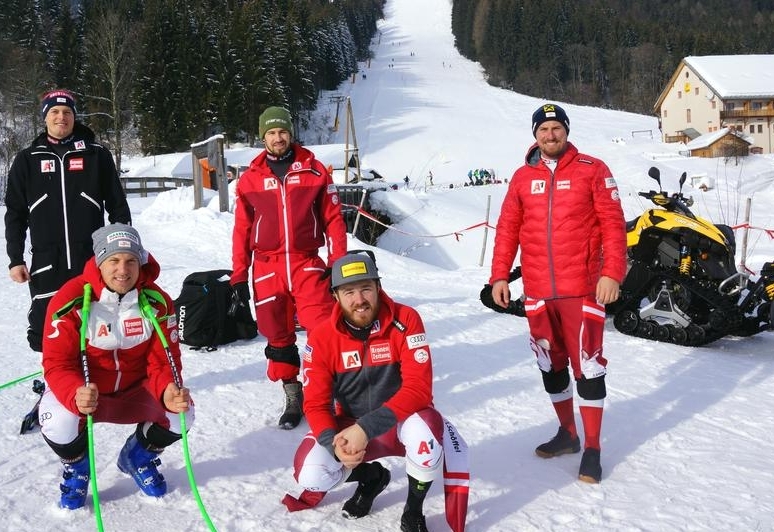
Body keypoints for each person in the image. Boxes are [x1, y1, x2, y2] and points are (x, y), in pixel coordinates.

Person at [487, 103, 627, 484]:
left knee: (588, 366)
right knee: (550, 364)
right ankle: (568, 433)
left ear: (566, 131)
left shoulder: (592, 170)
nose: (550, 135)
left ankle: (594, 448)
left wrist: (612, 273)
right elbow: (507, 229)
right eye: (543, 130)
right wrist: (499, 276)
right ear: (534, 135)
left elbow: (614, 226)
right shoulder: (521, 177)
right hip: (537, 291)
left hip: (581, 290)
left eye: (556, 128)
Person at [282, 252, 469, 532]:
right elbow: (316, 404)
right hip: (350, 426)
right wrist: (334, 443)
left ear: (378, 288)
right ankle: (372, 477)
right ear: (335, 296)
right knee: (310, 474)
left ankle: (413, 511)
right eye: (349, 292)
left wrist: (366, 428)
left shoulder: (406, 319)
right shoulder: (321, 337)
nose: (359, 300)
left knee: (427, 436)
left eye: (366, 288)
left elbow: (418, 389)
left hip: (400, 421)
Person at [38, 223, 194, 510]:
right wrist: (74, 392)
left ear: (141, 262)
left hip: (135, 389)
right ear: (99, 262)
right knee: (54, 420)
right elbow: (56, 362)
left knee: (184, 414)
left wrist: (167, 389)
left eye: (131, 260)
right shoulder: (69, 299)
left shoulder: (157, 301)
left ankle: (136, 457)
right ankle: (78, 467)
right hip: (87, 393)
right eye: (114, 260)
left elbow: (163, 359)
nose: (123, 270)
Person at [230, 106, 347, 430]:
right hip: (266, 267)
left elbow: (334, 221)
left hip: (306, 262)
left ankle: (328, 393)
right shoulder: (250, 179)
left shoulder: (314, 171)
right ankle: (293, 395)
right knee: (277, 335)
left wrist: (337, 264)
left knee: (323, 328)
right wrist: (240, 275)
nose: (277, 137)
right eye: (271, 133)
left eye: (282, 131)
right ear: (263, 136)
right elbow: (241, 230)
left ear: (290, 133)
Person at [5, 89, 132, 355]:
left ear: (74, 117)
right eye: (54, 112)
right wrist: (15, 258)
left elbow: (118, 206)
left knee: (97, 322)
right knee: (48, 326)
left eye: (66, 112)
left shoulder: (96, 155)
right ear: (45, 118)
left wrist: (124, 250)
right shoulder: (27, 159)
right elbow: (15, 213)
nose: (61, 117)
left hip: (90, 258)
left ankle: (99, 380)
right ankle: (55, 382)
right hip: (48, 259)